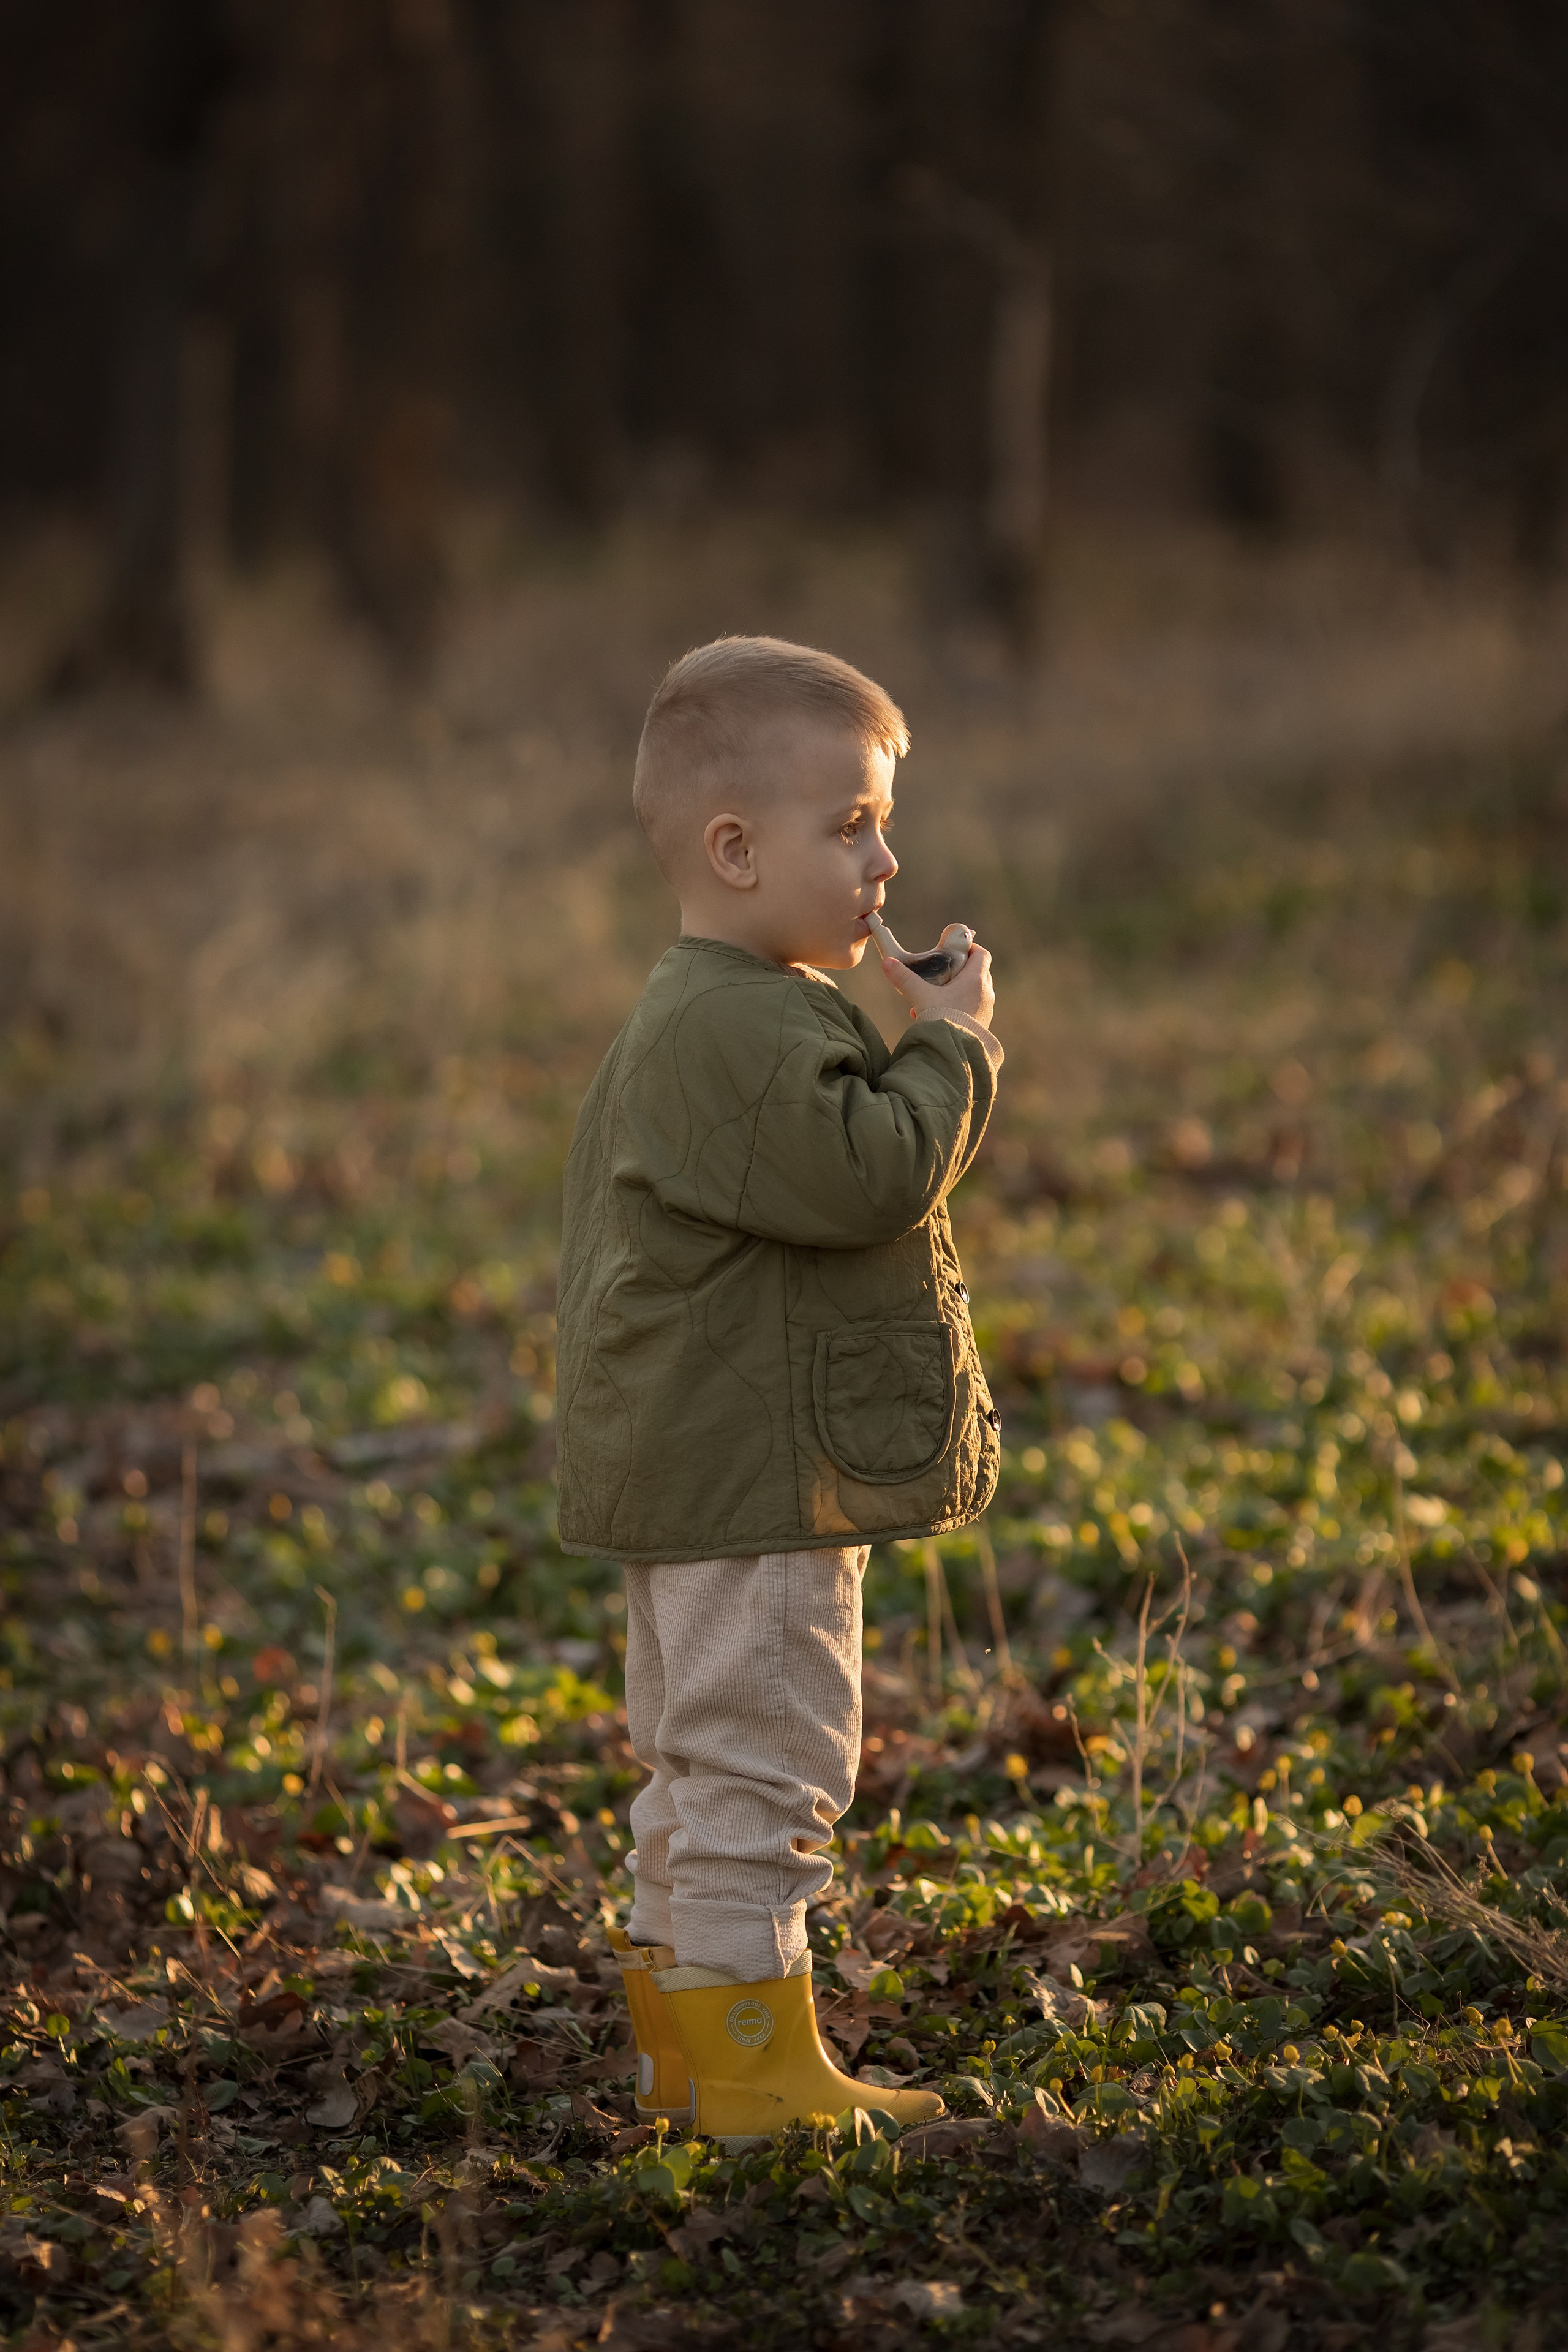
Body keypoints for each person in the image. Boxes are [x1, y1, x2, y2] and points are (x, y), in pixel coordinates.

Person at [556, 635, 1004, 2144]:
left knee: (693, 1771)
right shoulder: (739, 1025)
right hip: (753, 1480)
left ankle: (687, 2049)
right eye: (851, 823)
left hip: (705, 1467)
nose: (886, 857)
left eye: (881, 821)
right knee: (766, 1763)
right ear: (734, 851)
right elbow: (869, 1174)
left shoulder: (711, 1007)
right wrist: (949, 1051)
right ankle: (754, 2080)